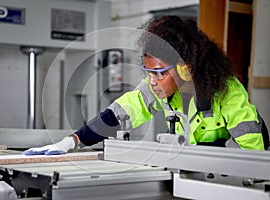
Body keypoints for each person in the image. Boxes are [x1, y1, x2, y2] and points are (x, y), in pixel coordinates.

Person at [23, 15, 269, 155]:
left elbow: (250, 149)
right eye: (147, 71)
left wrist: (199, 158)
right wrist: (72, 141)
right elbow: (116, 115)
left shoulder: (226, 91)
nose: (151, 80)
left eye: (159, 73)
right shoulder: (156, 87)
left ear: (185, 69)